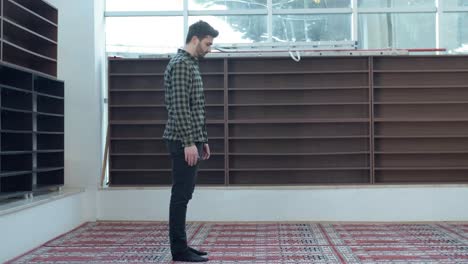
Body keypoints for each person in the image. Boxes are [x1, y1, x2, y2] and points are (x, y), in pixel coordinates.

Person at [163, 20, 218, 262]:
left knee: (184, 195)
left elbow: (197, 107)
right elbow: (180, 108)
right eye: (207, 44)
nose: (209, 49)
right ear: (194, 38)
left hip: (191, 138)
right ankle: (179, 250)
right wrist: (188, 142)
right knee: (181, 195)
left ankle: (182, 246)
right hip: (181, 140)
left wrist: (201, 139)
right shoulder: (181, 65)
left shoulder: (191, 65)